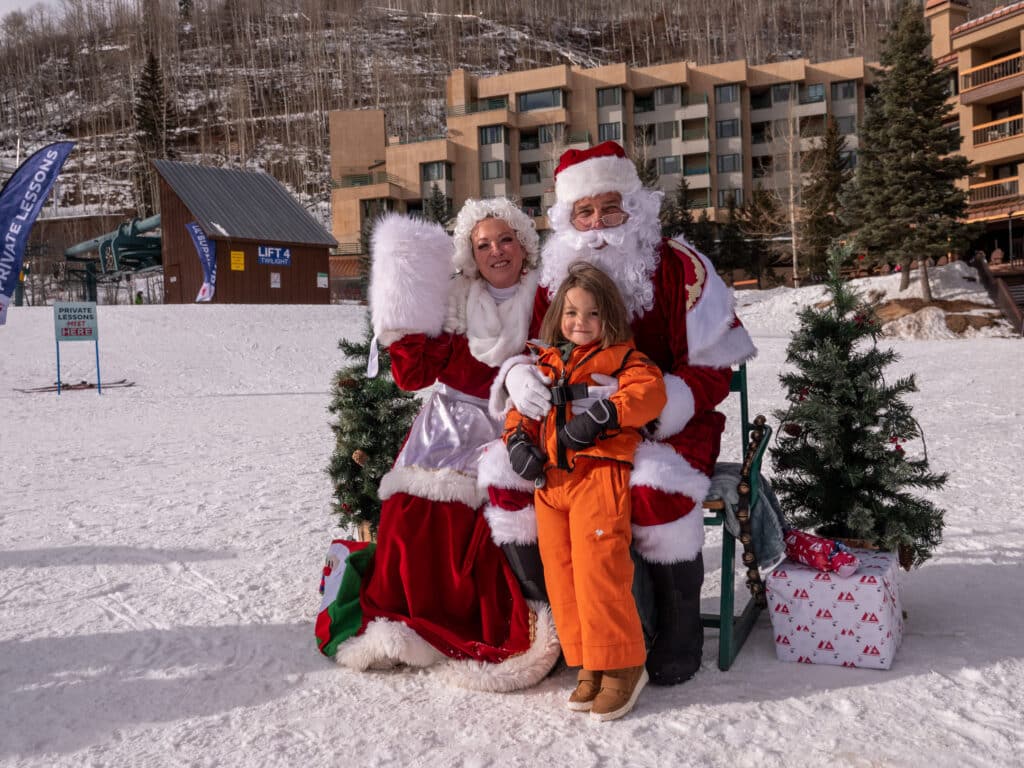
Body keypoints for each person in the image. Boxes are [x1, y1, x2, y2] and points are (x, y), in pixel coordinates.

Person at [484, 141, 757, 686]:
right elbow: (534, 351)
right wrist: (518, 376)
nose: (598, 224)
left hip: (666, 423)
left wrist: (653, 410)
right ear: (567, 218)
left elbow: (714, 370)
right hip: (571, 427)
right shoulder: (552, 278)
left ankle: (675, 629)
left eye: (610, 208)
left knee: (654, 486)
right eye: (583, 212)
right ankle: (566, 626)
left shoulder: (682, 268)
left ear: (636, 208)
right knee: (506, 478)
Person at [329, 197, 560, 691]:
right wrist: (399, 321)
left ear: (524, 243)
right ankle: (409, 619)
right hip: (447, 418)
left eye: (505, 239)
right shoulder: (455, 297)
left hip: (515, 416)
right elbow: (413, 377)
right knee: (408, 508)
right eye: (483, 245)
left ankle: (470, 622)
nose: (496, 251)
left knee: (472, 517)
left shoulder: (547, 295)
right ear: (470, 255)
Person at [503, 262, 666, 721]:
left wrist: (604, 417)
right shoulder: (546, 362)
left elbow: (650, 393)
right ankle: (589, 661)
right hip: (550, 482)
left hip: (597, 475)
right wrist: (517, 441)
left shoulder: (625, 358)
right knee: (563, 575)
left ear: (609, 317)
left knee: (600, 571)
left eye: (592, 314)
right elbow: (521, 411)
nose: (580, 323)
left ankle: (625, 664)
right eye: (572, 313)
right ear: (558, 313)